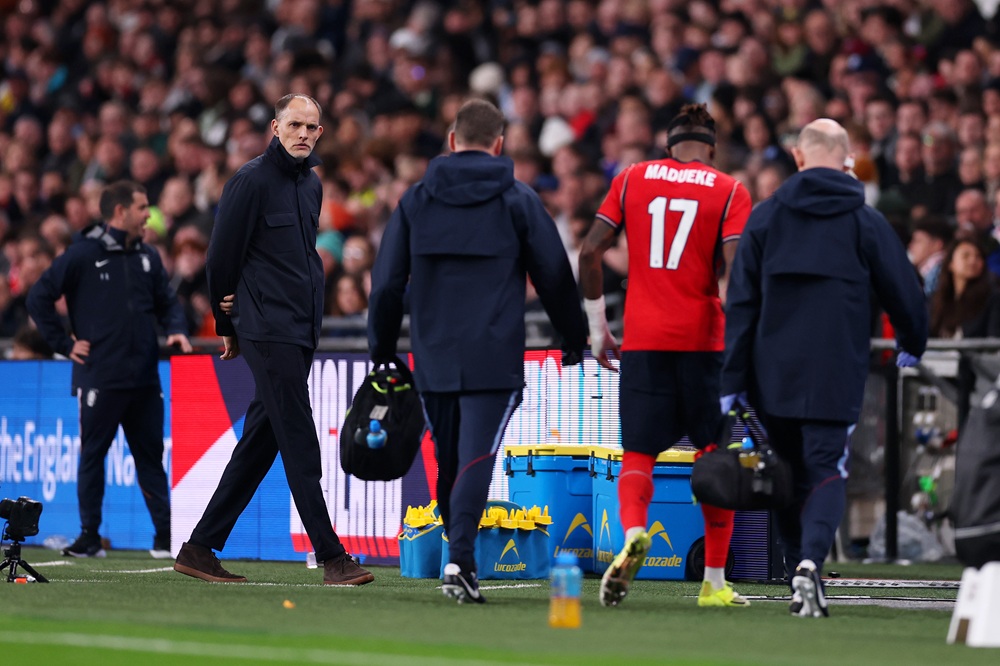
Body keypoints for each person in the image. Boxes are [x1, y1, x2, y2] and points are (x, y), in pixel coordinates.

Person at [368, 98, 586, 604]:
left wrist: (381, 347)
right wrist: (573, 339)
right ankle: (460, 561)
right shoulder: (518, 198)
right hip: (493, 354)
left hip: (434, 355)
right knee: (474, 458)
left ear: (451, 141)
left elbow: (384, 286)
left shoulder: (416, 200)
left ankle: (456, 552)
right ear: (499, 144)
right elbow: (554, 275)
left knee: (451, 459)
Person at [721, 118, 928, 618]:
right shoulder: (864, 218)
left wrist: (732, 380)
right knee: (826, 469)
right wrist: (911, 342)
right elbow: (904, 287)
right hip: (836, 368)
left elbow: (742, 302)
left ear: (797, 157)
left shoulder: (767, 217)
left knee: (786, 476)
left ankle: (797, 568)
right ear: (847, 158)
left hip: (774, 372)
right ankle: (811, 565)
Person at [173, 94, 374, 587]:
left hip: (299, 330)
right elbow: (220, 258)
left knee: (261, 443)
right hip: (265, 328)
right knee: (299, 439)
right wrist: (227, 326)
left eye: (312, 127)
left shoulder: (313, 186)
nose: (304, 133)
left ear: (321, 133)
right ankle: (332, 557)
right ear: (275, 126)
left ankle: (199, 548)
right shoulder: (249, 180)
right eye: (295, 125)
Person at [579, 103, 753, 609]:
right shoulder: (729, 189)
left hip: (645, 339)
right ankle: (714, 583)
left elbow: (591, 251)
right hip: (704, 344)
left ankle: (634, 533)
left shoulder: (632, 179)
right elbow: (736, 270)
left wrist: (597, 330)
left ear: (667, 146)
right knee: (715, 457)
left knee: (638, 453)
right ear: (711, 148)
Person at [27, 180, 192, 559]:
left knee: (150, 456)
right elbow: (39, 297)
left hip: (145, 380)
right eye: (141, 207)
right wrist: (65, 345)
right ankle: (89, 536)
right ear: (120, 212)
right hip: (100, 376)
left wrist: (178, 331)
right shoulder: (82, 254)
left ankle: (165, 535)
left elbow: (168, 303)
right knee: (93, 455)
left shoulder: (148, 256)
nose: (148, 213)